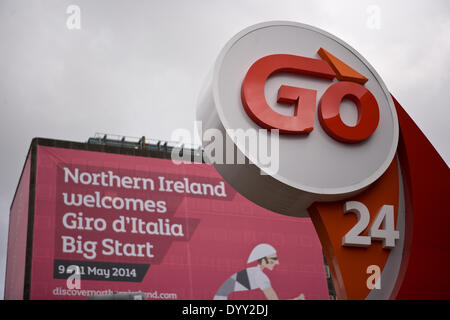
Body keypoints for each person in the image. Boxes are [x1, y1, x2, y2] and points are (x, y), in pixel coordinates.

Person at [213, 243, 305, 300]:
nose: (277, 262)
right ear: (263, 260)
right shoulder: (260, 276)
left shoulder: (255, 273)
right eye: (274, 259)